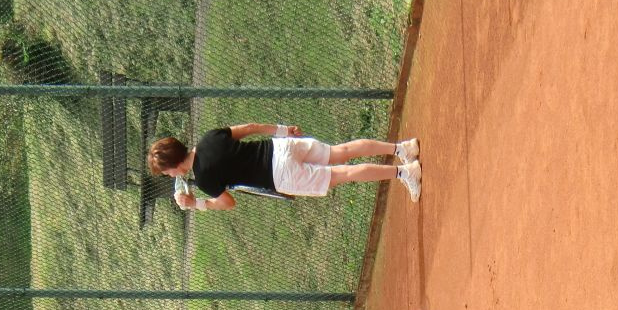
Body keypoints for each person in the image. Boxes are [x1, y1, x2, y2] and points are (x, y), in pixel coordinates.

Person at [148, 123, 422, 208]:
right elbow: (250, 127)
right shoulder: (209, 138)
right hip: (280, 147)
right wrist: (282, 130)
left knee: (344, 174)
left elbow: (228, 203)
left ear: (174, 165)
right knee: (343, 152)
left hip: (281, 175)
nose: (170, 175)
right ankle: (402, 148)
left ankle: (405, 172)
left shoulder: (204, 179)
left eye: (167, 171)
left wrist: (196, 204)